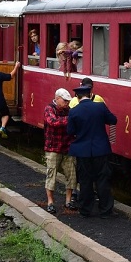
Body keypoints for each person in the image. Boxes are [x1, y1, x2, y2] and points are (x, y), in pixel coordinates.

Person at [67, 84, 118, 218]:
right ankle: (106, 211)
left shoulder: (74, 111)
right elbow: (113, 120)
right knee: (102, 179)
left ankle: (85, 210)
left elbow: (70, 131)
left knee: (85, 181)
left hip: (83, 151)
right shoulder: (100, 107)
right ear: (90, 95)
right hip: (100, 150)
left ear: (77, 97)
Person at [43, 88, 78, 214]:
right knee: (51, 174)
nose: (67, 103)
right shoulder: (49, 109)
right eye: (65, 101)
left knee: (71, 175)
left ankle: (68, 201)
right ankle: (50, 202)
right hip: (53, 147)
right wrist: (70, 120)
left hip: (67, 147)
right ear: (57, 98)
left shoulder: (68, 111)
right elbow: (52, 122)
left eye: (68, 101)